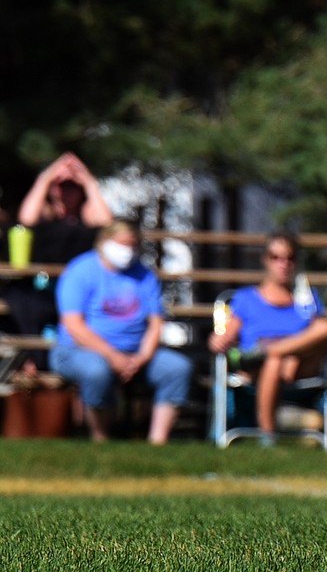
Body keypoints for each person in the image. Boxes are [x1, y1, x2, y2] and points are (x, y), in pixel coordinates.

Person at [48, 219, 193, 444]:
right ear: (104, 242)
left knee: (177, 368)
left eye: (133, 245)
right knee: (97, 371)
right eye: (122, 244)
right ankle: (101, 439)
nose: (127, 251)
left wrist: (141, 358)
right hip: (79, 351)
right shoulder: (80, 271)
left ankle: (158, 442)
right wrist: (112, 356)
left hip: (136, 355)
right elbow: (74, 325)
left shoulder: (144, 275)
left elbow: (156, 323)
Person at [207, 232, 327, 446]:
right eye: (276, 257)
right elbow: (225, 336)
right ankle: (268, 435)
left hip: (298, 366)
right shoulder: (246, 298)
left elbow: (326, 334)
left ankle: (274, 351)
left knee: (323, 328)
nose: (283, 264)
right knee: (275, 360)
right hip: (256, 369)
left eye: (290, 257)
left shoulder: (306, 299)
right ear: (265, 260)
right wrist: (216, 340)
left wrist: (279, 347)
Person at [2, 152, 113, 371]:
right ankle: (30, 359)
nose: (65, 191)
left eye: (72, 185)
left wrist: (89, 182)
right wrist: (47, 178)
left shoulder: (87, 217)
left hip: (77, 289)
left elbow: (108, 226)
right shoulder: (43, 215)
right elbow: (26, 221)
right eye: (60, 185)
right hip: (38, 289)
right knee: (22, 304)